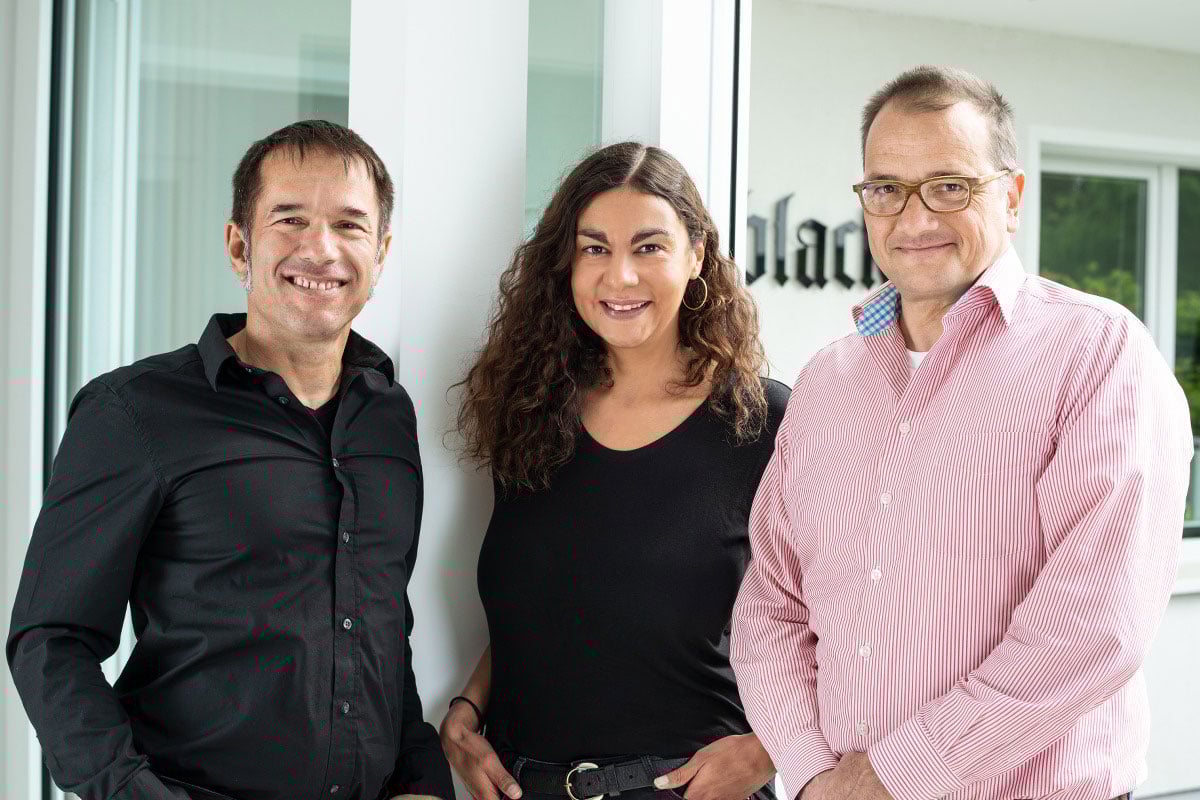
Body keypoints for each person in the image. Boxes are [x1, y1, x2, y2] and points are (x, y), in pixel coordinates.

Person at [730, 65, 1193, 800]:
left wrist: (890, 777)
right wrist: (816, 774)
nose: (914, 220)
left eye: (950, 186)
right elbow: (771, 607)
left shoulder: (1098, 354)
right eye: (886, 189)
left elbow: (1094, 624)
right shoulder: (825, 383)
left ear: (1009, 197)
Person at [7, 120, 454, 800]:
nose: (321, 248)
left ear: (382, 251)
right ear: (238, 244)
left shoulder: (388, 417)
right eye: (290, 219)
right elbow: (51, 641)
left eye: (349, 224)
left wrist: (422, 779)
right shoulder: (133, 412)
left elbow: (376, 628)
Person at [442, 142, 786, 800]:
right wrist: (468, 708)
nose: (619, 276)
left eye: (649, 247)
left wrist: (769, 750)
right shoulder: (533, 415)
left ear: (697, 256)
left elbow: (851, 626)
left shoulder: (762, 422)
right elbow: (557, 607)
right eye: (595, 248)